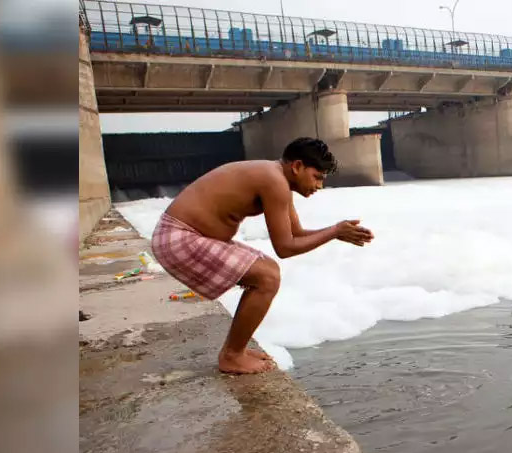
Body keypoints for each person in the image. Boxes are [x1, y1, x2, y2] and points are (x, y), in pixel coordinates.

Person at [151, 138, 374, 374]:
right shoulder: (274, 180)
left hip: (185, 236)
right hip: (177, 238)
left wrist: (336, 233)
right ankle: (232, 356)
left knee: (267, 270)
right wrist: (334, 231)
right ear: (297, 166)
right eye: (317, 177)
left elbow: (295, 234)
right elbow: (285, 248)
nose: (319, 186)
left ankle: (235, 350)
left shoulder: (277, 178)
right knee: (266, 277)